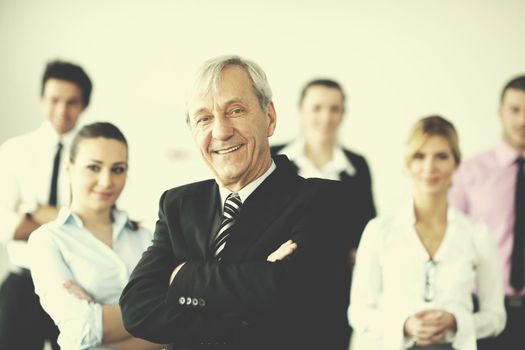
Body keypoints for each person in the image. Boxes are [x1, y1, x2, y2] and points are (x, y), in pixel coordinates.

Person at [119, 55, 351, 350]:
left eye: (235, 110)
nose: (220, 131)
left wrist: (183, 277)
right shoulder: (178, 204)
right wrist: (252, 295)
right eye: (204, 118)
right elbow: (137, 309)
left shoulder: (324, 200)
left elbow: (296, 301)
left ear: (270, 117)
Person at [349, 116, 505, 350]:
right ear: (407, 164)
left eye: (441, 156)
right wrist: (404, 324)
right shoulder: (379, 231)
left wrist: (457, 322)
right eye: (420, 156)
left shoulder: (477, 234)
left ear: (456, 163)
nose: (430, 167)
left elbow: (495, 317)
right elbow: (359, 313)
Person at [28, 122, 162, 350]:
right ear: (69, 168)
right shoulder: (47, 240)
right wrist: (155, 313)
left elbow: (178, 320)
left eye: (118, 169)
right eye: (94, 167)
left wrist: (101, 317)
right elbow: (81, 327)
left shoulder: (146, 237)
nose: (106, 181)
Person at [0, 59, 92, 349]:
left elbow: (92, 224)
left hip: (72, 287)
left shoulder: (92, 157)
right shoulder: (14, 151)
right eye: (54, 100)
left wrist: (33, 212)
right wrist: (65, 220)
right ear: (42, 99)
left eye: (72, 102)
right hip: (22, 283)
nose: (62, 111)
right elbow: (4, 224)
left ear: (84, 105)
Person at [449, 75, 525, 349]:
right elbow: (451, 241)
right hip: (483, 307)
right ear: (500, 111)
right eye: (515, 110)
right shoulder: (469, 172)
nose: (522, 120)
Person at [271, 78, 376, 248]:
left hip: (338, 269)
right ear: (301, 111)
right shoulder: (272, 157)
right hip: (278, 268)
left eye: (334, 109)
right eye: (317, 108)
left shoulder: (357, 165)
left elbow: (367, 226)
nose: (326, 117)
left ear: (343, 114)